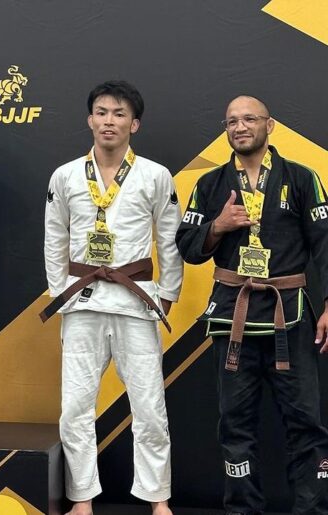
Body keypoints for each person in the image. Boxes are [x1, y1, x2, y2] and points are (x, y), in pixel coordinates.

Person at [176, 95, 328, 515]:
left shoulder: (301, 178)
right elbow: (187, 246)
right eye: (231, 121)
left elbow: (325, 243)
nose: (240, 127)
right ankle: (243, 510)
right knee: (235, 423)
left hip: (289, 315)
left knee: (305, 422)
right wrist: (218, 226)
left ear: (269, 125)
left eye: (249, 119)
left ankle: (313, 509)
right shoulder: (210, 184)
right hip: (233, 317)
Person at [42, 80, 182, 515]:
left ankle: (158, 500)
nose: (109, 121)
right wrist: (61, 294)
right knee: (75, 409)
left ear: (134, 124)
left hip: (135, 301)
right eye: (102, 112)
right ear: (90, 119)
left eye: (119, 114)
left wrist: (167, 294)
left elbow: (169, 240)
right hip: (83, 302)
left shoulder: (155, 175)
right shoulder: (66, 175)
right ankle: (81, 499)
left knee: (150, 408)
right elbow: (54, 238)